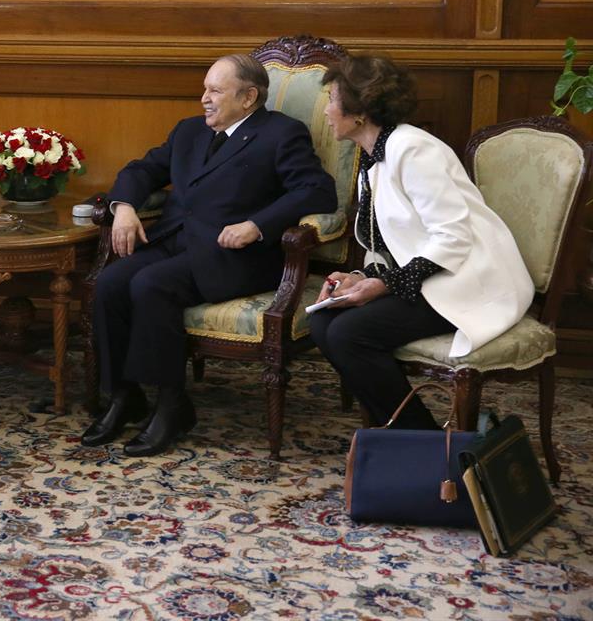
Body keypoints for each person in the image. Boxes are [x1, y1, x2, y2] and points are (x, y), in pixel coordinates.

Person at [84, 54, 338, 456]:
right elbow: (141, 170)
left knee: (152, 285)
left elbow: (316, 190)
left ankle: (172, 405)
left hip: (235, 256)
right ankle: (124, 396)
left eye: (215, 91)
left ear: (249, 96)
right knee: (111, 282)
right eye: (205, 88)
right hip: (175, 242)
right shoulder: (189, 132)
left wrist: (258, 224)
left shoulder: (281, 134)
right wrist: (124, 207)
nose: (204, 98)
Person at [309, 55, 533, 429]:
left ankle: (424, 441)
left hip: (464, 281)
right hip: (424, 278)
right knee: (325, 321)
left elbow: (453, 236)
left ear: (359, 110)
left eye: (332, 98)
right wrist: (354, 278)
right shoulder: (373, 156)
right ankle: (402, 435)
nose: (327, 110)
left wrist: (382, 285)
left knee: (350, 333)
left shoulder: (413, 149)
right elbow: (385, 241)